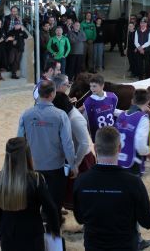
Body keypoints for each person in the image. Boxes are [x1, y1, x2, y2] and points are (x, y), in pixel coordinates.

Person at [73, 126, 150, 251]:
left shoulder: (81, 181)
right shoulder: (133, 182)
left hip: (93, 246)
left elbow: (79, 218)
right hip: (125, 246)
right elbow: (148, 222)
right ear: (119, 148)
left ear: (95, 148)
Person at [17, 80, 76, 219]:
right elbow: (68, 143)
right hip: (55, 166)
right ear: (52, 94)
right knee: (54, 204)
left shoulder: (26, 114)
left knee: (33, 203)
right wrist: (72, 165)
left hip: (33, 165)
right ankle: (53, 233)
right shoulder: (61, 115)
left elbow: (19, 141)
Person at [0, 137, 61, 251]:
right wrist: (55, 234)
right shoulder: (36, 180)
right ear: (27, 156)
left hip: (8, 235)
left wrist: (0, 235)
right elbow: (51, 209)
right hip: (32, 234)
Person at [114, 88, 150, 249]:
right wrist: (149, 153)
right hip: (132, 165)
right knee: (132, 203)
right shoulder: (143, 118)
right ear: (147, 102)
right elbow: (140, 144)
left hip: (117, 161)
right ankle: (136, 239)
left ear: (132, 100)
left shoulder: (124, 115)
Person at [51, 74, 94, 211]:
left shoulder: (75, 120)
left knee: (83, 194)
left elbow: (84, 144)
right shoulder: (66, 115)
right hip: (70, 158)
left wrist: (75, 163)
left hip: (81, 160)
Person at [82, 74, 119, 141]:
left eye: (94, 86)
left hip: (111, 132)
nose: (92, 88)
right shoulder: (89, 101)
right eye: (90, 86)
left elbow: (112, 111)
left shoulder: (112, 97)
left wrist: (122, 112)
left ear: (102, 86)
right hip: (97, 135)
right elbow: (85, 118)